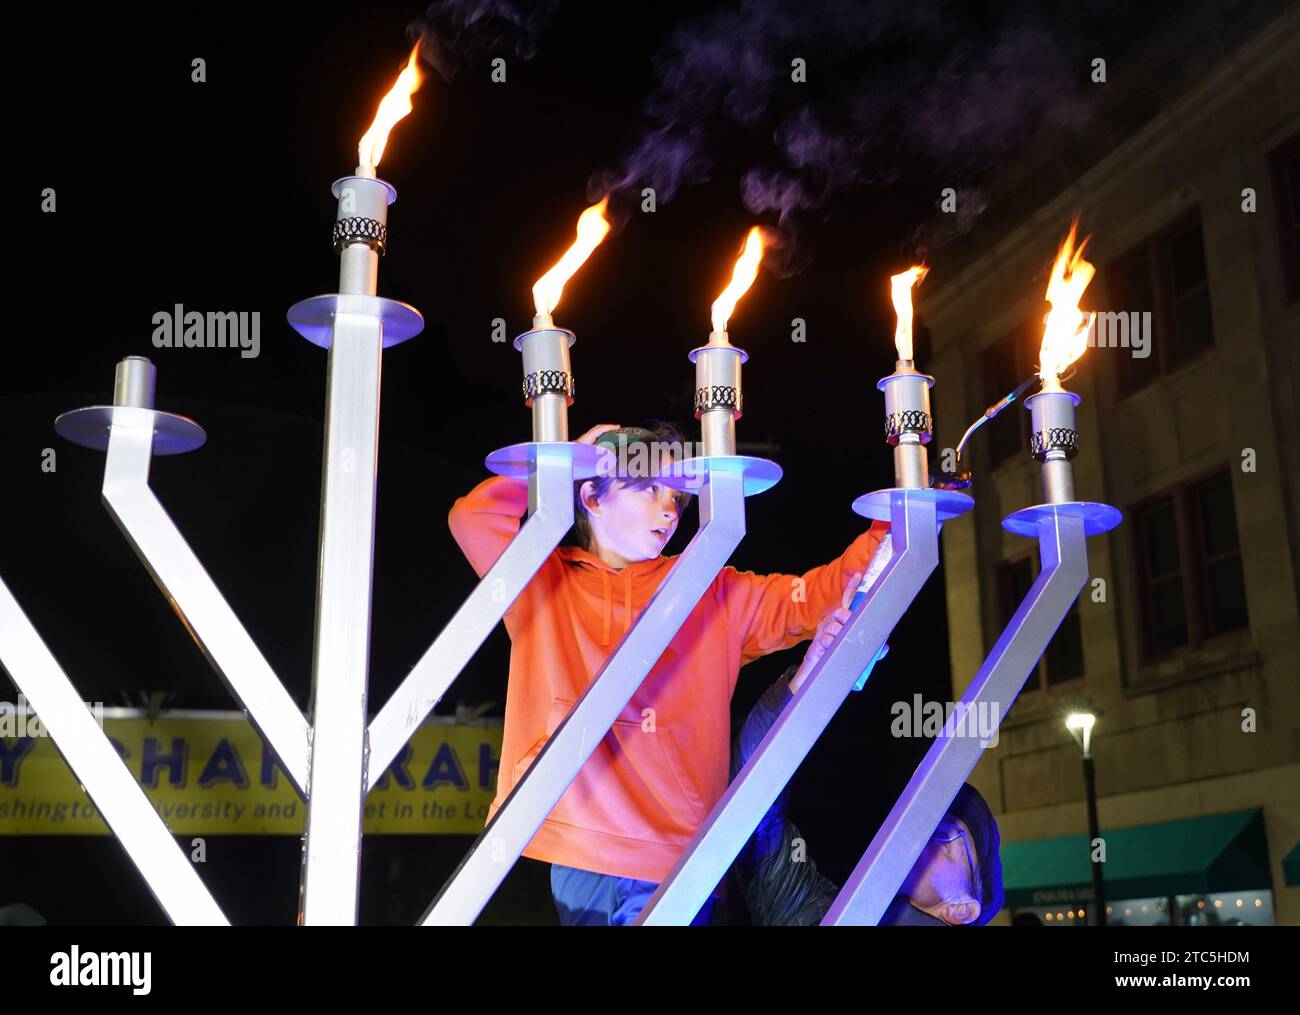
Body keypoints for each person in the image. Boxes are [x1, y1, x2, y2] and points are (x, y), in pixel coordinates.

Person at [448, 421, 889, 926]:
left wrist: (894, 528)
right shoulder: (540, 580)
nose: (669, 510)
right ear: (591, 495)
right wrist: (565, 458)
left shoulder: (710, 590)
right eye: (650, 489)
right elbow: (473, 517)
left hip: (672, 855)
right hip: (573, 845)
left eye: (678, 498)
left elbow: (817, 595)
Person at [729, 574, 1005, 926]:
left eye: (944, 836)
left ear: (960, 908)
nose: (915, 831)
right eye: (914, 818)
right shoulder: (819, 913)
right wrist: (807, 682)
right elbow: (749, 810)